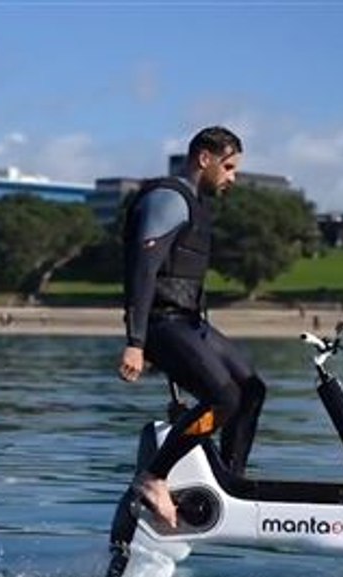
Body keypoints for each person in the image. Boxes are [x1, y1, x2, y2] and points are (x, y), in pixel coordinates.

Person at [117, 126, 266, 530]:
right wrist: (136, 342)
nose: (233, 177)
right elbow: (143, 271)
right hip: (160, 323)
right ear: (205, 158)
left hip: (188, 323)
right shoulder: (168, 199)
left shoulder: (196, 204)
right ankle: (154, 477)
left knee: (251, 389)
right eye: (228, 167)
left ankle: (229, 481)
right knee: (223, 399)